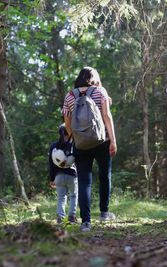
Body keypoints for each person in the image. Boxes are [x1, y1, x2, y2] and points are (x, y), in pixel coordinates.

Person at [62, 66, 117, 231]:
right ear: (94, 78)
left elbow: (67, 123)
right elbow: (107, 116)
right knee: (104, 176)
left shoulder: (70, 96)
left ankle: (86, 221)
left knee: (84, 181)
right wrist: (113, 140)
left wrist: (74, 138)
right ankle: (104, 212)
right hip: (102, 140)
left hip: (81, 144)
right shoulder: (100, 92)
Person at [49, 124, 78, 224]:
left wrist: (51, 179)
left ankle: (60, 218)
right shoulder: (73, 146)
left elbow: (51, 163)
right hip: (71, 175)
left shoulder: (53, 146)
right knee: (73, 196)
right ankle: (72, 217)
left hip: (58, 176)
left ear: (59, 134)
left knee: (61, 197)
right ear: (69, 133)